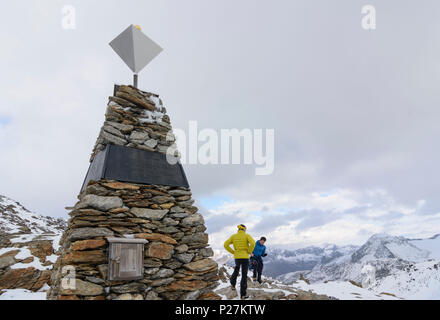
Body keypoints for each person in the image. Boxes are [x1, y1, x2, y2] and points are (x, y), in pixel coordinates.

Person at [224, 224, 256, 300]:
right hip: (245, 257)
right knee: (244, 275)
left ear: (238, 229)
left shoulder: (234, 236)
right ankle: (243, 295)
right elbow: (253, 243)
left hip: (237, 257)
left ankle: (232, 283)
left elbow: (225, 245)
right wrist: (249, 251)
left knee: (236, 270)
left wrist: (233, 252)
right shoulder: (247, 235)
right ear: (244, 229)